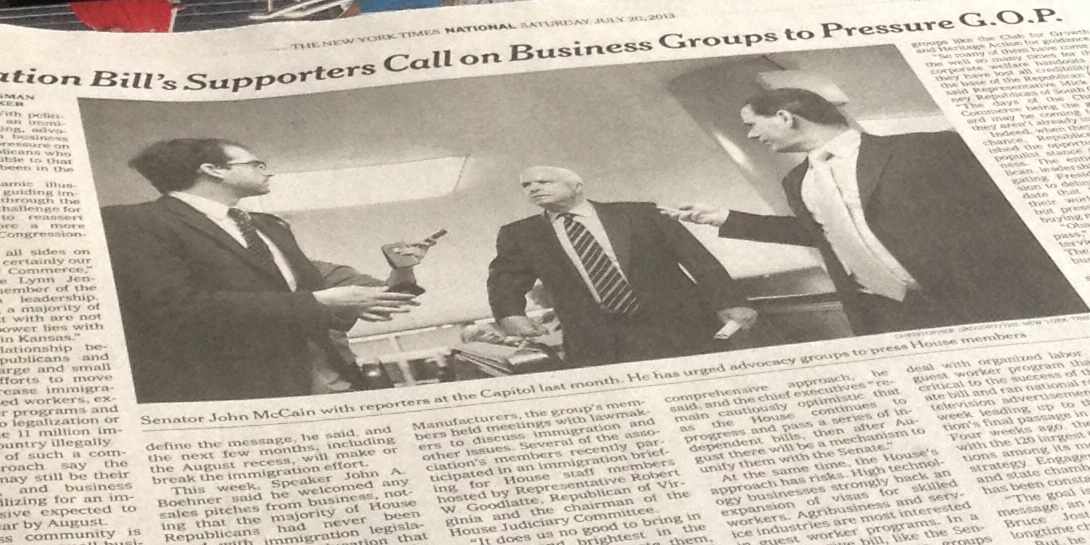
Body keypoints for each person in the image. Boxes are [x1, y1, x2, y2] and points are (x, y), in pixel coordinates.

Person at [680, 70, 1083, 334]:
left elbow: (1013, 223)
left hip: (979, 305)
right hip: (885, 316)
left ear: (785, 117)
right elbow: (822, 232)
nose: (751, 136)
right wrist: (723, 218)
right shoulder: (796, 180)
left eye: (752, 125)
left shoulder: (927, 149)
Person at [99, 135, 437, 402]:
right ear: (213, 170)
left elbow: (377, 298)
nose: (268, 171)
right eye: (256, 164)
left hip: (332, 383)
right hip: (243, 392)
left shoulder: (270, 226)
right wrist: (317, 302)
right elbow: (175, 308)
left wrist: (402, 270)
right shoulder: (134, 221)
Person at [485, 164, 756, 371]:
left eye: (544, 181)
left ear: (576, 186)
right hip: (599, 340)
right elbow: (505, 278)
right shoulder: (520, 234)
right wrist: (510, 314)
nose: (533, 188)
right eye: (526, 185)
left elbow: (698, 259)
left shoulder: (641, 213)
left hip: (681, 325)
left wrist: (731, 301)